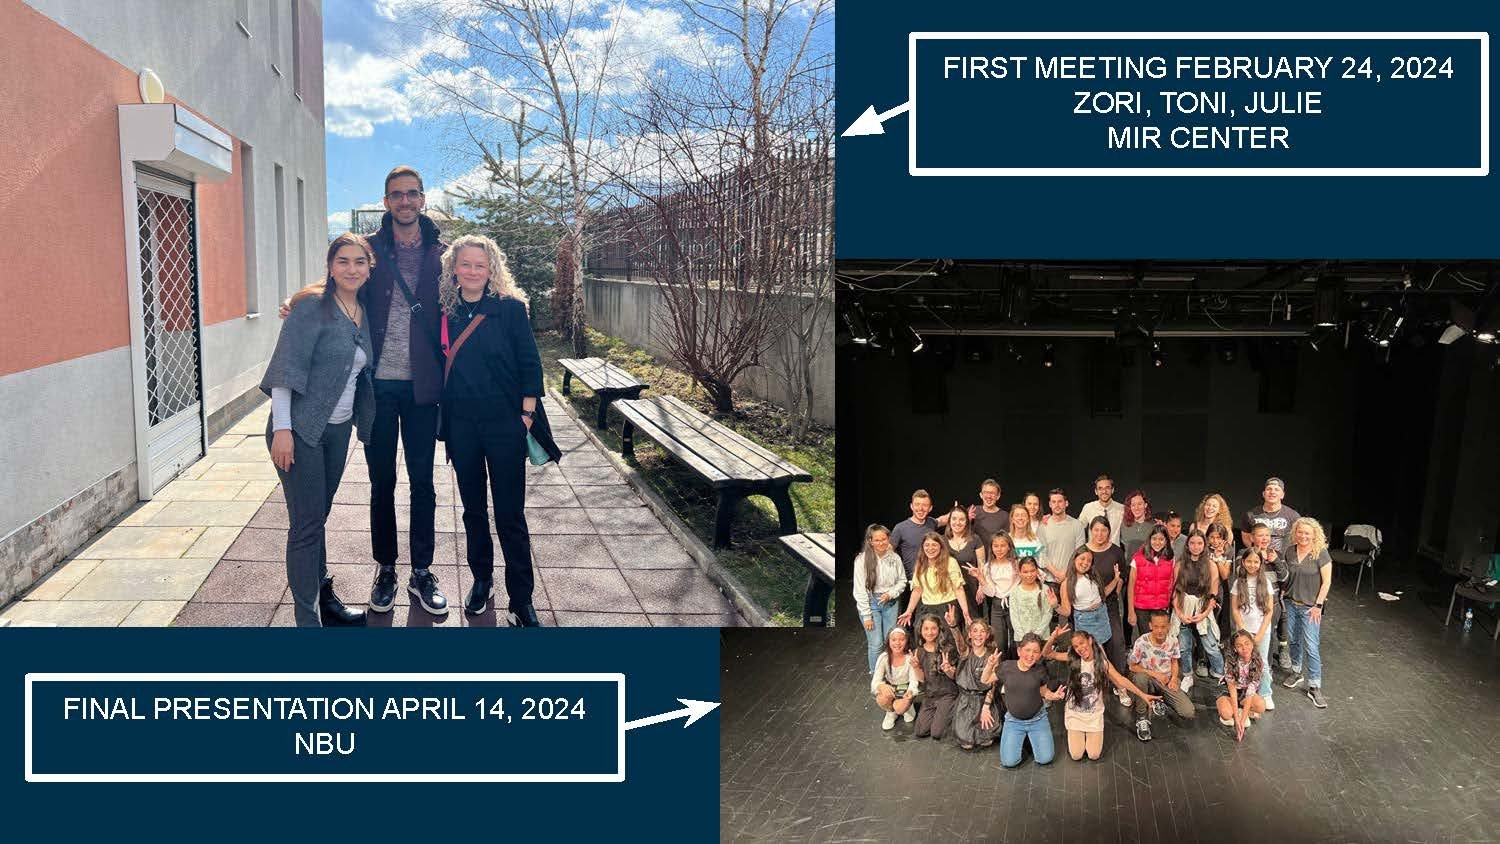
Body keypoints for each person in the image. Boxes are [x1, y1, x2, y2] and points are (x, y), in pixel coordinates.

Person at [438, 235, 559, 625]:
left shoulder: (510, 309)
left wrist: (526, 413)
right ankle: (481, 580)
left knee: (510, 514)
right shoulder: (446, 312)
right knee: (473, 510)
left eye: (481, 265)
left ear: (492, 270)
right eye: (466, 264)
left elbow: (530, 361)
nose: (473, 271)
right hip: (462, 427)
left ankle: (521, 599)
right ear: (454, 268)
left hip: (505, 424)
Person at [260, 234, 378, 627]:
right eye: (342, 261)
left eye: (359, 262)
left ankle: (325, 601)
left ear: (369, 266)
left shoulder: (364, 309)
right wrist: (282, 429)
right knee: (307, 525)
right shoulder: (312, 306)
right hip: (299, 429)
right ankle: (307, 621)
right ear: (330, 265)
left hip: (338, 429)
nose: (351, 269)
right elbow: (285, 368)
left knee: (318, 517)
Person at [360, 166, 450, 615]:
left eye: (412, 194)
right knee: (381, 482)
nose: (405, 201)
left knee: (422, 482)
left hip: (422, 389)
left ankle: (421, 570)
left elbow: (473, 291)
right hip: (378, 386)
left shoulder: (443, 254)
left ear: (423, 199)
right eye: (397, 195)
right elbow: (339, 282)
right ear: (386, 201)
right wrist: (299, 299)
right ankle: (386, 568)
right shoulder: (371, 251)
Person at [1043, 625, 1158, 761]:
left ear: (1090, 640)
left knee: (1094, 755)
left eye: (1082, 643)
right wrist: (1053, 638)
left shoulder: (1102, 664)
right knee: (1076, 755)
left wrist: (1142, 695)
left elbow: (1121, 680)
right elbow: (1047, 653)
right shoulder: (1073, 659)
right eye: (1075, 646)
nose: (1080, 648)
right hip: (1075, 715)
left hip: (1093, 716)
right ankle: (1077, 732)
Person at [1058, 542, 1129, 706]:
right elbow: (1067, 611)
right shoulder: (1067, 583)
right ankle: (1121, 687)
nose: (1085, 563)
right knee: (1102, 658)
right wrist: (1055, 605)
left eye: (1089, 561)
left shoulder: (1093, 576)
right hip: (1086, 621)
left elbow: (1102, 594)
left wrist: (1116, 579)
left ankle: (1095, 687)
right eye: (1082, 559)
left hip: (1101, 616)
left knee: (1097, 657)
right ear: (1075, 558)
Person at [1241, 478, 1302, 669]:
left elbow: (1297, 539)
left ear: (1282, 494)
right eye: (1269, 489)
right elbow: (1245, 538)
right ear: (1263, 493)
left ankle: (1282, 648)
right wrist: (1257, 556)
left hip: (1281, 566)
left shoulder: (1292, 515)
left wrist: (1277, 559)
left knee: (1281, 609)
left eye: (1276, 489)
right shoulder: (1252, 514)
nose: (1272, 492)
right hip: (1257, 564)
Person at [990, 633, 1067, 767]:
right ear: (1019, 651)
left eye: (1035, 652)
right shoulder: (1007, 667)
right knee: (1009, 762)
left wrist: (1053, 696)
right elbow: (984, 680)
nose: (1031, 655)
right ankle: (1025, 740)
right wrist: (989, 665)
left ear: (1039, 655)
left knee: (1045, 758)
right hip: (1014, 721)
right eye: (1027, 650)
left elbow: (1043, 691)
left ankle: (1032, 738)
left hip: (1037, 719)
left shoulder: (1040, 671)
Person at [1281, 517, 1333, 709]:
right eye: (1300, 532)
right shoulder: (1290, 551)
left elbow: (1326, 582)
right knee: (1293, 640)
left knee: (1311, 645)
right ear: (1295, 533)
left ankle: (1314, 686)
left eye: (1307, 533)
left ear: (1314, 535)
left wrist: (1318, 606)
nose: (1303, 536)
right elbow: (1285, 576)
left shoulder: (1321, 553)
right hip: (1291, 604)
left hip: (1311, 608)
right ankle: (1296, 672)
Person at [1127, 611, 1198, 741]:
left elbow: (1174, 662)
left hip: (1165, 680)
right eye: (1156, 627)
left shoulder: (1173, 641)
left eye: (1163, 627)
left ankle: (1159, 699)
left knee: (1188, 712)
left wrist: (1174, 679)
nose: (1159, 631)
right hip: (1147, 679)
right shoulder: (1141, 642)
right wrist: (1154, 673)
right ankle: (1142, 717)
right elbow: (1132, 666)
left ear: (1169, 626)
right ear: (1150, 626)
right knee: (1140, 678)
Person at [1083, 516, 1131, 702]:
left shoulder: (1116, 551)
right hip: (1087, 607)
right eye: (1096, 530)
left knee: (1117, 642)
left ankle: (1120, 684)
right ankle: (1092, 682)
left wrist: (1117, 590)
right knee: (1091, 645)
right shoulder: (1084, 551)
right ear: (1091, 531)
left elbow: (1122, 576)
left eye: (1104, 530)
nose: (1100, 534)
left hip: (1109, 604)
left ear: (1109, 532)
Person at [1172, 531, 1224, 690]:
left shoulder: (1211, 565)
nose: (1196, 547)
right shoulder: (1180, 565)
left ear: (1204, 545)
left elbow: (1213, 594)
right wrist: (1180, 613)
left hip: (1203, 607)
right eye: (1192, 543)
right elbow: (1175, 592)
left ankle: (1222, 675)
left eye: (1199, 543)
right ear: (1187, 545)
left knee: (1211, 646)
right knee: (1183, 646)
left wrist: (1204, 613)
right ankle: (1187, 676)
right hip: (1183, 607)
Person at [855, 524, 907, 672]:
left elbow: (902, 581)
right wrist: (867, 616)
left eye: (884, 539)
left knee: (889, 641)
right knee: (876, 643)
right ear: (870, 541)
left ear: (888, 539)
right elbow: (859, 590)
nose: (881, 543)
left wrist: (891, 593)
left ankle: (890, 674)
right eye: (877, 540)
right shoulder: (862, 560)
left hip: (890, 603)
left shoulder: (894, 558)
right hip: (871, 604)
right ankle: (876, 678)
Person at [1231, 549, 1278, 710]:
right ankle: (1242, 693)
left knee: (1261, 662)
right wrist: (1243, 633)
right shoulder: (1239, 583)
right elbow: (1235, 609)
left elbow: (1269, 610)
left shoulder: (1266, 583)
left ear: (1260, 563)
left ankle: (1265, 693)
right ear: (1243, 562)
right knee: (1242, 661)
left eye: (1256, 562)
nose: (1252, 564)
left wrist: (1259, 634)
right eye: (1249, 561)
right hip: (1244, 632)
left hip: (1261, 631)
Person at [898, 532, 972, 629]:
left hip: (947, 607)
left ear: (941, 547)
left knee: (947, 640)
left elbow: (958, 589)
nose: (930, 548)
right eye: (927, 545)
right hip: (926, 608)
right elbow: (917, 590)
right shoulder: (920, 564)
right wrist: (909, 611)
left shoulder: (950, 562)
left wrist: (965, 611)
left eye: (934, 545)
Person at [952, 618, 1005, 749]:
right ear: (969, 634)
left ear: (987, 635)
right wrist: (953, 625)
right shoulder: (966, 652)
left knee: (987, 740)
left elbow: (993, 685)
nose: (978, 634)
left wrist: (986, 706)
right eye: (975, 631)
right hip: (967, 700)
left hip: (984, 698)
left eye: (982, 631)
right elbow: (959, 643)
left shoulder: (992, 656)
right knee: (967, 743)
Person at [909, 612, 962, 740]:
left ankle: (954, 710)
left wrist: (948, 669)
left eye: (933, 628)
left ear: (939, 630)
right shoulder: (918, 652)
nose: (929, 632)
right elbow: (922, 679)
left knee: (937, 733)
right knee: (920, 731)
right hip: (931, 695)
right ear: (921, 630)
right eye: (926, 629)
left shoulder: (947, 649)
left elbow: (954, 677)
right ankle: (940, 714)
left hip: (947, 694)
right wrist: (916, 667)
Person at [1127, 524, 1176, 641]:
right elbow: (1131, 586)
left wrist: (1169, 606)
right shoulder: (1138, 558)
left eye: (1161, 539)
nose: (1157, 542)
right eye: (1154, 539)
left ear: (1166, 541)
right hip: (1142, 608)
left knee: (1160, 639)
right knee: (1146, 640)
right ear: (1149, 539)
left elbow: (1171, 584)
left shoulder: (1171, 559)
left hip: (1161, 607)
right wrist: (1131, 611)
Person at [1217, 630, 1267, 741]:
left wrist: (1242, 720)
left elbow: (1250, 693)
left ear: (1252, 644)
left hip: (1245, 693)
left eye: (1247, 643)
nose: (1244, 648)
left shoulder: (1258, 662)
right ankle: (1235, 711)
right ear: (1235, 648)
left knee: (1261, 706)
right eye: (1239, 645)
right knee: (1226, 714)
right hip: (1230, 692)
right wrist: (1236, 719)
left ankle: (1243, 711)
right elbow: (1233, 691)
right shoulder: (1230, 662)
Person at [973, 532, 1019, 652]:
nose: (999, 549)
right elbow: (991, 592)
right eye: (996, 546)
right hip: (997, 605)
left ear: (1009, 546)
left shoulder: (1016, 563)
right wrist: (981, 579)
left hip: (1015, 603)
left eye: (1003, 545)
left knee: (1017, 639)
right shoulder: (988, 566)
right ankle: (1001, 667)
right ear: (991, 548)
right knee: (999, 642)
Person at [871, 626, 919, 730]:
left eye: (901, 640)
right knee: (881, 699)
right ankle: (890, 712)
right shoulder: (884, 657)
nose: (897, 643)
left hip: (905, 689)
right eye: (894, 640)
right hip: (891, 689)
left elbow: (914, 680)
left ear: (906, 641)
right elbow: (875, 682)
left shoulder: (909, 658)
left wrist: (911, 692)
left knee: (900, 708)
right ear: (888, 641)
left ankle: (908, 707)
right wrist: (881, 686)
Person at [1037, 488, 1086, 585]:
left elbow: (1079, 553)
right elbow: (1041, 555)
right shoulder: (1043, 526)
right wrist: (1056, 573)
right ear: (1050, 504)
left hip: (1071, 579)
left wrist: (1066, 573)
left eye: (1060, 501)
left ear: (1066, 503)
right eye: (1054, 502)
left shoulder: (1077, 525)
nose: (1057, 505)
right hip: (1049, 580)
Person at [945, 506, 986, 617]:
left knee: (973, 625)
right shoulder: (942, 541)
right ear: (949, 521)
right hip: (951, 591)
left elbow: (982, 565)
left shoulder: (975, 539)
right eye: (954, 519)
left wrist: (981, 588)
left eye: (961, 519)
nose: (957, 522)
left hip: (972, 590)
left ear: (967, 522)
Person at [1006, 557, 1057, 647]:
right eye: (1025, 572)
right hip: (1021, 639)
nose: (1029, 575)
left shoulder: (1045, 589)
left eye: (1032, 571)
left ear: (1037, 571)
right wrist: (1024, 638)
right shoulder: (1015, 592)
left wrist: (1037, 636)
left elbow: (1048, 613)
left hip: (1042, 638)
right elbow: (1014, 617)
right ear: (1019, 572)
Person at [891, 490, 939, 576]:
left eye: (924, 505)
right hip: (912, 580)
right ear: (911, 506)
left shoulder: (931, 522)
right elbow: (887, 549)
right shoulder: (900, 528)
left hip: (933, 578)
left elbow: (942, 520)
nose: (920, 508)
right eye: (917, 504)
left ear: (930, 508)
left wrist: (963, 513)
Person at [1078, 474, 1125, 545]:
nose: (1104, 491)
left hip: (1114, 554)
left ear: (1112, 490)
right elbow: (1078, 529)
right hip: (1093, 553)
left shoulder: (1122, 509)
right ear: (1096, 491)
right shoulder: (1088, 508)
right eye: (1100, 488)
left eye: (1107, 488)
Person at [1007, 504, 1046, 579]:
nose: (1020, 518)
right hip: (1010, 585)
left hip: (1030, 584)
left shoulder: (1035, 541)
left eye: (1023, 515)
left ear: (1028, 519)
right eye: (1017, 515)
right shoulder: (1006, 540)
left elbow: (1042, 563)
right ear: (1012, 519)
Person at [1193, 493, 1237, 559]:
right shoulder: (1194, 526)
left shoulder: (1226, 529)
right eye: (1208, 505)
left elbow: (1227, 554)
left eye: (1214, 506)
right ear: (1203, 507)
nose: (1210, 508)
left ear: (1219, 510)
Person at [1119, 490, 1156, 562]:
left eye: (1139, 504)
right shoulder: (1123, 525)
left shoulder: (1154, 525)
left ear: (1145, 505)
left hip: (1148, 568)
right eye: (1133, 505)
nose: (1136, 508)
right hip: (1128, 568)